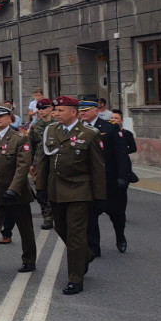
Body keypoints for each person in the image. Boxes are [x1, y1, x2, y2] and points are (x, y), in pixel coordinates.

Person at [35, 96, 106, 295]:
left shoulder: (89, 134)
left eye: (60, 111)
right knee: (61, 228)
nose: (55, 114)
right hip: (55, 190)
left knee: (75, 235)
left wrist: (99, 197)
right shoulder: (51, 131)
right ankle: (86, 253)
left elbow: (98, 168)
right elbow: (42, 162)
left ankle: (76, 278)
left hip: (79, 191)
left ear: (73, 112)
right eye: (55, 111)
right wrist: (40, 187)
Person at [0, 105, 37, 272]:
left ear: (9, 118)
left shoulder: (19, 138)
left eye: (1, 116)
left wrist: (13, 189)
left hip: (16, 193)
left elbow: (23, 166)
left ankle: (29, 259)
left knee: (25, 229)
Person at [79, 97, 130, 256]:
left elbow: (121, 154)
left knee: (117, 213)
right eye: (81, 112)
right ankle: (94, 247)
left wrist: (123, 176)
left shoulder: (110, 128)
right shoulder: (77, 129)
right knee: (91, 216)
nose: (83, 114)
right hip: (89, 182)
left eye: (86, 111)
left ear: (96, 111)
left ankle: (120, 236)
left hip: (110, 180)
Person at [28, 98, 55, 230]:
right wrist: (30, 163)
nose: (42, 111)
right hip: (40, 162)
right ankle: (47, 217)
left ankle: (57, 213)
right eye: (40, 109)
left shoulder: (58, 124)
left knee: (56, 187)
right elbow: (31, 146)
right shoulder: (35, 126)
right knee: (41, 188)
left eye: (44, 108)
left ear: (51, 108)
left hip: (56, 161)